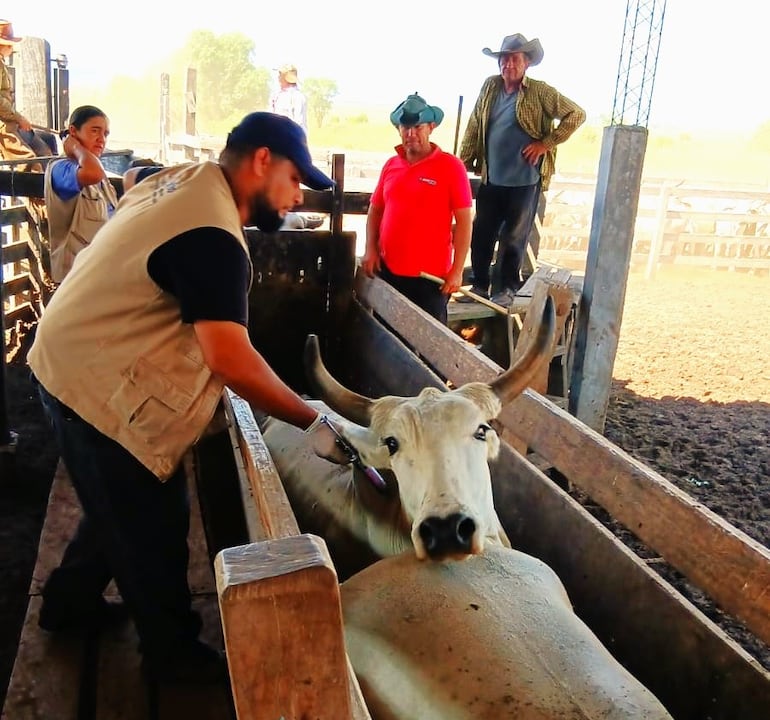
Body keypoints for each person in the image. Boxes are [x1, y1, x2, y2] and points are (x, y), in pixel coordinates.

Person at [27, 111, 349, 685]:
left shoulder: (177, 181)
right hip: (92, 377)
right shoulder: (213, 237)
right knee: (155, 513)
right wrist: (311, 418)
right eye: (295, 179)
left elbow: (128, 190)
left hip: (68, 354)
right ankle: (173, 659)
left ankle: (68, 603)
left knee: (115, 500)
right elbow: (229, 357)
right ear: (260, 161)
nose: (298, 196)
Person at [459, 33, 585, 307]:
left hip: (524, 180)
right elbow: (474, 122)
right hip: (492, 177)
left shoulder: (540, 91)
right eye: (504, 59)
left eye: (515, 59)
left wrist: (545, 144)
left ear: (526, 63)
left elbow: (576, 114)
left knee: (513, 239)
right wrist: (465, 158)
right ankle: (480, 285)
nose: (509, 65)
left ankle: (506, 289)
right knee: (482, 234)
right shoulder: (490, 87)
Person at [361, 93, 473, 324]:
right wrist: (370, 248)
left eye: (418, 127)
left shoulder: (451, 167)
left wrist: (457, 269)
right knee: (385, 334)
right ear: (398, 129)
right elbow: (375, 210)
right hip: (388, 270)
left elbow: (464, 221)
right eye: (405, 127)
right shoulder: (391, 165)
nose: (411, 134)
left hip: (430, 279)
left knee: (429, 343)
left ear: (431, 127)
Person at [44, 105, 118, 282]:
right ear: (73, 132)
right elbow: (92, 172)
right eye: (95, 131)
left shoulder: (101, 177)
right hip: (76, 279)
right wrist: (75, 147)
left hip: (101, 273)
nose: (101, 139)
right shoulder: (61, 169)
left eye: (105, 134)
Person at [0, 20, 53, 168]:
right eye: (9, 44)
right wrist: (18, 117)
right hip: (3, 125)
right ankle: (31, 190)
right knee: (29, 163)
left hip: (7, 121)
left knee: (44, 151)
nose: (12, 48)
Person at [270, 63, 308, 132]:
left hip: (290, 138)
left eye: (280, 75)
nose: (278, 78)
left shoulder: (297, 97)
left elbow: (299, 123)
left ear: (286, 77)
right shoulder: (276, 96)